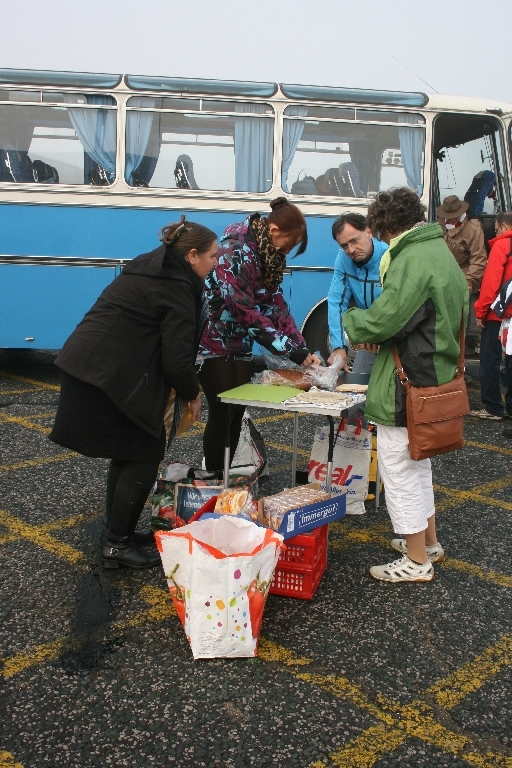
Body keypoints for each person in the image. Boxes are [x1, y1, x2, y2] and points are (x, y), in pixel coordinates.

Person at [49, 219, 218, 570]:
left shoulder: (154, 266)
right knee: (144, 450)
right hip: (104, 375)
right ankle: (116, 545)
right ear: (192, 256)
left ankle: (117, 532)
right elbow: (176, 358)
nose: (216, 263)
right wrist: (193, 394)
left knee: (129, 450)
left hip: (94, 368)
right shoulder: (176, 287)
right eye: (213, 256)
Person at [344, 187, 468, 583]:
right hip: (436, 370)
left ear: (383, 226)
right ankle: (427, 543)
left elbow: (385, 319)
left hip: (408, 377)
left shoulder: (410, 257)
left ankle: (416, 561)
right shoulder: (438, 250)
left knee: (398, 467)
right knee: (419, 462)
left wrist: (351, 322)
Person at [198, 197, 320, 471]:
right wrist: (292, 351)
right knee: (221, 412)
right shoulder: (234, 250)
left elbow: (276, 306)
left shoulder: (266, 254)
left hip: (239, 343)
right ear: (274, 231)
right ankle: (216, 481)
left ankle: (226, 482)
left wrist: (302, 349)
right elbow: (244, 310)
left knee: (236, 410)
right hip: (213, 342)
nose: (285, 252)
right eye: (287, 245)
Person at [327, 212, 388, 373]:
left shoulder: (389, 255)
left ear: (368, 231)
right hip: (369, 340)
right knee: (358, 386)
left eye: (354, 240)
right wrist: (339, 346)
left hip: (395, 339)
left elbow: (397, 304)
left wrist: (380, 333)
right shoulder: (343, 259)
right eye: (344, 245)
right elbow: (336, 302)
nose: (351, 250)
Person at [471, 212, 512, 420]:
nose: (496, 232)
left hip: (498, 315)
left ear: (504, 226)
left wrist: (481, 311)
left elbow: (491, 283)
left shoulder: (502, 246)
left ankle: (493, 407)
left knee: (490, 360)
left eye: (496, 229)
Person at [437, 195, 487, 294]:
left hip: (464, 275)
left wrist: (469, 282)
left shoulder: (473, 228)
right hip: (443, 276)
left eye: (456, 216)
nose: (453, 219)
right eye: (450, 217)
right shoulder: (438, 226)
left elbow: (478, 258)